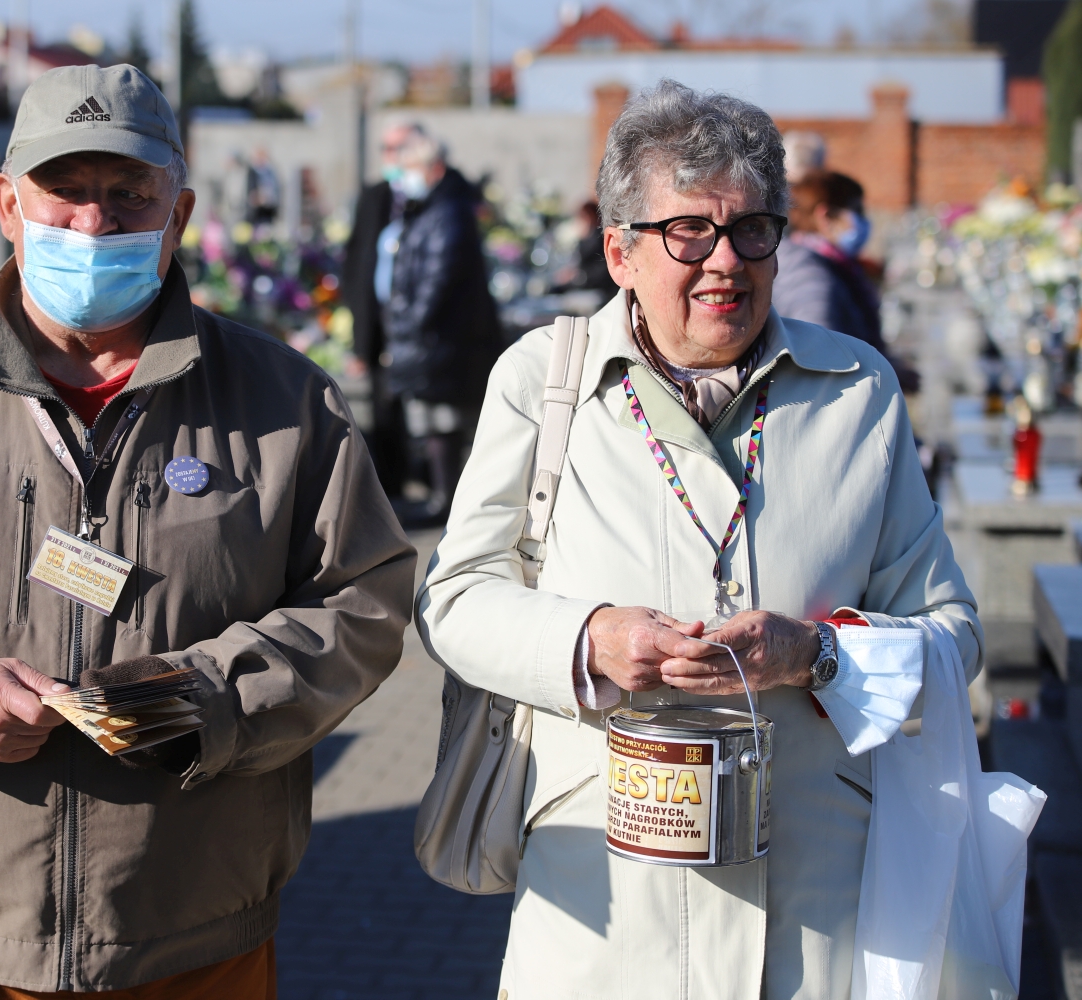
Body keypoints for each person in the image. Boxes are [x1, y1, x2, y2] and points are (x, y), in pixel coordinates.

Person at [0, 64, 415, 998]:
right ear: (7, 204)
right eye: (63, 195)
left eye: (128, 196)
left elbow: (366, 599)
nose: (93, 226)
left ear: (177, 211)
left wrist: (213, 699)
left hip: (189, 927)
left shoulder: (283, 401)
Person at [417, 80, 980, 997]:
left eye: (752, 228)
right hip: (602, 915)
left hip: (817, 917)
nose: (725, 261)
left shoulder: (857, 390)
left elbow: (953, 631)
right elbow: (454, 596)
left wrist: (817, 654)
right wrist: (588, 638)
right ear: (619, 252)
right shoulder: (541, 379)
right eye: (688, 231)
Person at [383, 129, 501, 524]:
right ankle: (442, 496)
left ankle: (446, 501)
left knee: (445, 423)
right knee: (436, 423)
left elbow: (438, 277)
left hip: (444, 339)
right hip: (438, 339)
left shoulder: (446, 212)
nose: (405, 176)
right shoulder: (434, 208)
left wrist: (411, 324)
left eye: (410, 168)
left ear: (431, 168)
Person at [775, 170, 919, 392]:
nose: (863, 222)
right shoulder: (810, 275)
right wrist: (885, 374)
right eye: (857, 211)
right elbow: (821, 356)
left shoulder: (830, 265)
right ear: (827, 217)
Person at [343, 121, 417, 494]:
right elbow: (358, 264)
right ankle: (392, 484)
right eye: (387, 149)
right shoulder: (375, 195)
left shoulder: (432, 195)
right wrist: (360, 338)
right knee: (383, 405)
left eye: (400, 147)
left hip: (418, 322)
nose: (393, 157)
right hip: (381, 320)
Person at [550, 200, 619, 302]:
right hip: (589, 286)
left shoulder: (598, 239)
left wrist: (577, 276)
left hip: (600, 291)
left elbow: (601, 270)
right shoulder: (587, 239)